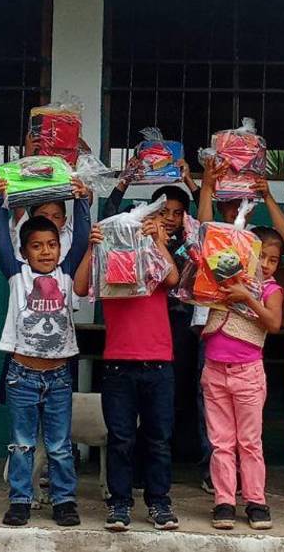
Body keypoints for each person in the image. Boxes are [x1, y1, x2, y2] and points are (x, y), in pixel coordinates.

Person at [0, 185, 92, 527]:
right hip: (22, 376)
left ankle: (64, 501)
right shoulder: (16, 275)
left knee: (60, 445)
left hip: (59, 376)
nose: (45, 252)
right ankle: (20, 499)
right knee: (21, 443)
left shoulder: (65, 273)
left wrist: (80, 199)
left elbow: (81, 241)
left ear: (60, 247)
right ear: (24, 250)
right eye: (37, 246)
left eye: (51, 245)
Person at [96, 201, 182, 532]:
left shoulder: (153, 261)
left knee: (158, 437)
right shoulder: (110, 260)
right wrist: (95, 245)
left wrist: (157, 241)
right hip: (118, 364)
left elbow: (173, 278)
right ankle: (119, 503)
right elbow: (79, 287)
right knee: (121, 437)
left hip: (159, 363)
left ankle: (159, 501)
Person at [202, 226, 284, 531]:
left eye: (272, 260)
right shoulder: (223, 277)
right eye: (260, 256)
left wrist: (247, 298)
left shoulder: (271, 290)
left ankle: (255, 501)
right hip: (214, 369)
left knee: (249, 441)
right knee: (220, 441)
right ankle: (224, 501)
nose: (265, 264)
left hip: (248, 372)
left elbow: (274, 323)